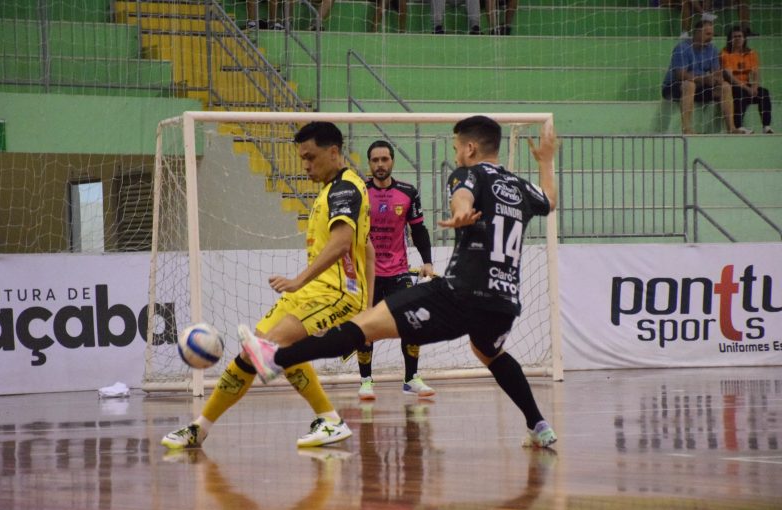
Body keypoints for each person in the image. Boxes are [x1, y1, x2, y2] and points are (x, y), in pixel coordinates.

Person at [241, 115, 560, 449]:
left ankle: (274, 358)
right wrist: (547, 161)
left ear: (470, 147)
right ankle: (538, 424)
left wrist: (462, 209)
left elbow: (462, 195)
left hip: (458, 296)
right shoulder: (519, 186)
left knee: (362, 325)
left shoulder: (469, 173)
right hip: (502, 304)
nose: (455, 156)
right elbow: (549, 200)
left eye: (456, 149)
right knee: (489, 353)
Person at [161, 121, 373, 450]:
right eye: (302, 158)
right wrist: (370, 305)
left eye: (311, 157)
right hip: (314, 292)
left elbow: (344, 242)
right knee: (256, 349)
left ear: (334, 153)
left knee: (270, 350)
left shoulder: (346, 189)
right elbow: (367, 248)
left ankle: (328, 420)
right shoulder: (331, 190)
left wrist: (300, 281)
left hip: (336, 294)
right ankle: (200, 428)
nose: (305, 166)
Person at [355, 140, 436, 400]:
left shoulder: (408, 192)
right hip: (367, 274)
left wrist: (428, 261)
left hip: (399, 272)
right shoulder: (358, 192)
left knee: (411, 323)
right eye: (375, 160)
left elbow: (419, 229)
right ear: (369, 164)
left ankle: (411, 378)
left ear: (392, 161)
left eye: (385, 159)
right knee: (365, 326)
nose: (380, 164)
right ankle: (366, 380)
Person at [661, 20, 740, 135]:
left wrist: (717, 79)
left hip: (699, 87)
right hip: (673, 87)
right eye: (708, 34)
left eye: (712, 34)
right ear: (697, 33)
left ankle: (731, 128)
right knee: (689, 84)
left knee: (725, 87)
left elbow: (716, 72)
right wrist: (704, 79)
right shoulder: (682, 48)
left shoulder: (712, 49)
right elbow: (680, 75)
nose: (711, 37)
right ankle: (687, 129)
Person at [720, 25, 773, 134]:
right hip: (732, 86)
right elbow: (729, 76)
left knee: (764, 93)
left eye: (740, 36)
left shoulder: (751, 53)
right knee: (740, 92)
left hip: (746, 85)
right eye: (735, 37)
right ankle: (738, 126)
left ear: (744, 38)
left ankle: (766, 126)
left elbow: (755, 72)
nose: (738, 39)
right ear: (730, 39)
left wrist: (754, 86)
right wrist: (746, 88)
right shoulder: (725, 53)